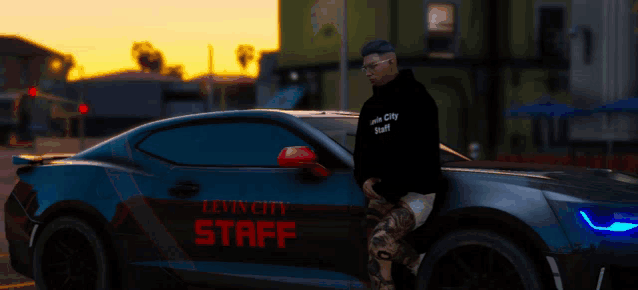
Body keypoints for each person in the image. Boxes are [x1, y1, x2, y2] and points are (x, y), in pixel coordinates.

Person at [353, 39, 443, 290]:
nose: (368, 72)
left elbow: (419, 155)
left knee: (381, 240)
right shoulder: (370, 108)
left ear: (391, 62)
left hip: (418, 191)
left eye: (373, 66)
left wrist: (387, 188)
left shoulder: (417, 98)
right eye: (365, 68)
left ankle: (415, 266)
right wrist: (365, 178)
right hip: (384, 193)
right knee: (370, 240)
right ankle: (417, 263)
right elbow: (361, 153)